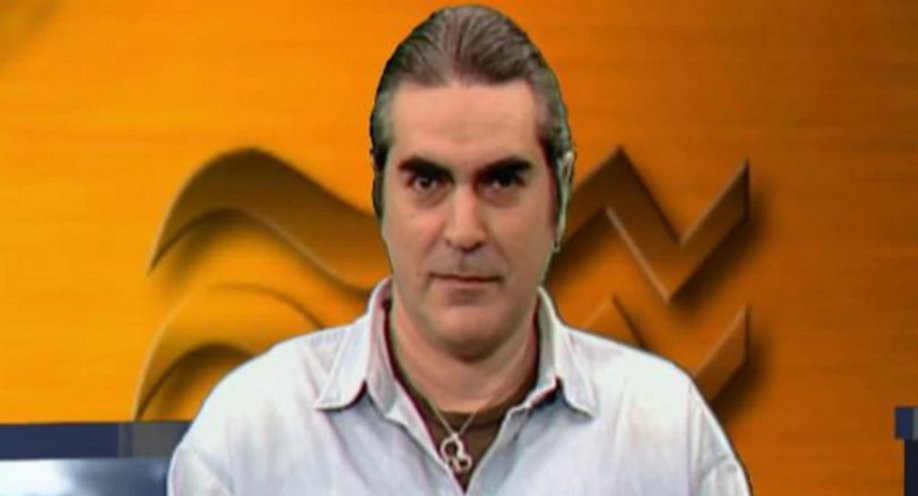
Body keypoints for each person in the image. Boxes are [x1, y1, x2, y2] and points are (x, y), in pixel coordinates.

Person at [167, 4, 750, 495]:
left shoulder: (667, 438)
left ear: (560, 196)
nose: (465, 230)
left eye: (502, 181)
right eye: (428, 181)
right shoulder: (248, 440)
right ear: (380, 197)